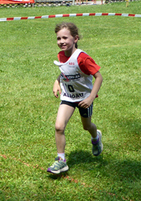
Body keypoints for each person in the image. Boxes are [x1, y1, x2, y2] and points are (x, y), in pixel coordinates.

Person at [47, 23, 103, 175]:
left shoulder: (82, 58)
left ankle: (95, 137)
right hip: (68, 97)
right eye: (58, 38)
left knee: (87, 126)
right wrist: (57, 82)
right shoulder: (61, 54)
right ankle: (61, 161)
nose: (61, 41)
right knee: (59, 126)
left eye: (65, 37)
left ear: (75, 38)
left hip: (84, 98)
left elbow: (98, 77)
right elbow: (65, 71)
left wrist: (91, 97)